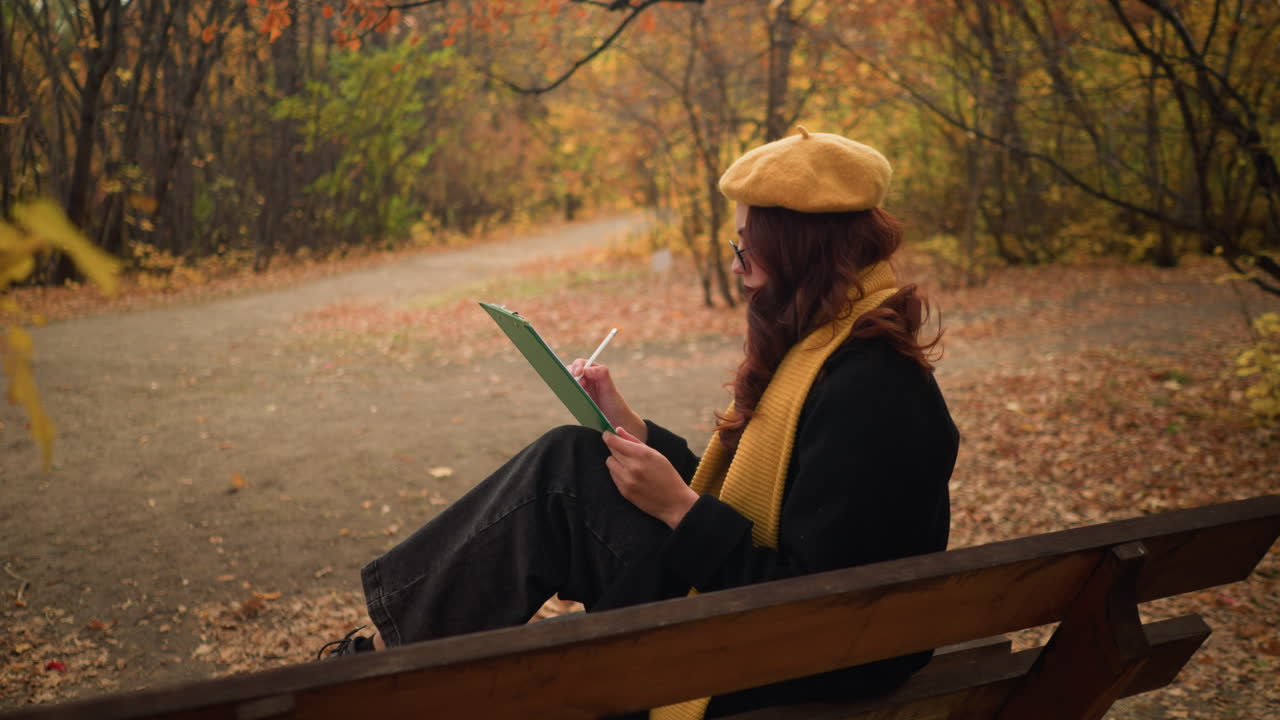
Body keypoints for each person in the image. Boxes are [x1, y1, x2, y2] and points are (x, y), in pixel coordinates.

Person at [319, 126, 959, 719]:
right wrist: (634, 432)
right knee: (576, 456)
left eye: (747, 247)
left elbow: (814, 605)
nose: (737, 266)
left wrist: (679, 508)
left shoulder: (872, 391)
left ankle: (379, 674)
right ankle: (384, 664)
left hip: (800, 659)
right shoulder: (833, 348)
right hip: (774, 625)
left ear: (800, 248)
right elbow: (752, 508)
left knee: (563, 478)